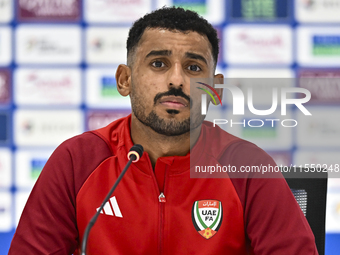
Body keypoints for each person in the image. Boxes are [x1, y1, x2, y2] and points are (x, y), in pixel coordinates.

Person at [9, 6, 318, 255]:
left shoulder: (247, 166)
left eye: (194, 68)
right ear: (124, 80)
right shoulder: (78, 161)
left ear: (216, 90)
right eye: (158, 64)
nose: (177, 80)